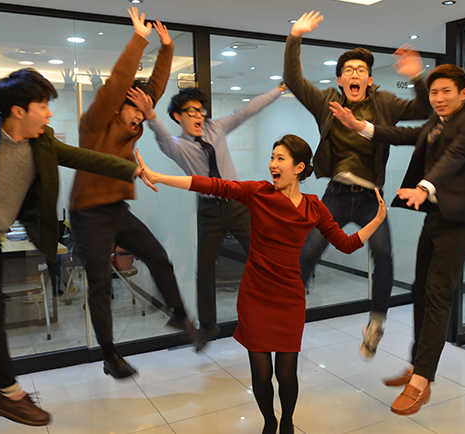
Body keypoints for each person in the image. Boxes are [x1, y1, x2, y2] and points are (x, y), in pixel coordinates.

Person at [0, 68, 153, 426]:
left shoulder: (41, 141)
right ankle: (7, 392)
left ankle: (0, 391)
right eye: (42, 106)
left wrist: (130, 170)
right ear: (18, 110)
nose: (48, 113)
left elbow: (81, 157)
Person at [134, 134, 386, 434]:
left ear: (299, 167)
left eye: (280, 159)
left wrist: (376, 220)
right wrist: (159, 177)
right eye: (271, 157)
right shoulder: (258, 193)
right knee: (262, 373)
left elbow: (345, 243)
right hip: (255, 296)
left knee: (287, 374)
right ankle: (269, 422)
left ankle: (287, 422)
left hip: (290, 299)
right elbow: (211, 185)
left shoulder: (314, 207)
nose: (272, 164)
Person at [331, 64, 465, 415]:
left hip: (462, 219)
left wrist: (424, 186)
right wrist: (359, 126)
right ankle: (417, 365)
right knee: (420, 290)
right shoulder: (437, 122)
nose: (438, 98)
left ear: (463, 93)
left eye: (446, 91)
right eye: (433, 92)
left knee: (437, 294)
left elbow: (455, 157)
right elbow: (403, 134)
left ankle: (422, 380)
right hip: (437, 215)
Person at [283, 11, 432, 359]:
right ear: (340, 79)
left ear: (369, 79)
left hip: (370, 199)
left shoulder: (385, 103)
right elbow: (293, 80)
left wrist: (417, 76)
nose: (355, 74)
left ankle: (375, 324)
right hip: (335, 195)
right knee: (307, 253)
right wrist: (295, 36)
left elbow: (424, 109)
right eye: (349, 70)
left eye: (361, 70)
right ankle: (288, 314)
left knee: (384, 257)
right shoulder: (326, 102)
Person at [68, 7, 197, 380]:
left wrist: (167, 47)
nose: (141, 117)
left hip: (116, 209)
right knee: (100, 283)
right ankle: (110, 355)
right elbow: (116, 85)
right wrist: (140, 39)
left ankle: (179, 314)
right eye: (135, 109)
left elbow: (153, 89)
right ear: (119, 104)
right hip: (88, 212)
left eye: (144, 112)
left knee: (158, 256)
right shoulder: (95, 122)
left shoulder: (133, 121)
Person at [131, 84, 286, 349]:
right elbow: (162, 136)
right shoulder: (178, 146)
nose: (198, 115)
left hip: (238, 204)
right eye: (191, 111)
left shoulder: (216, 128)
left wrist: (279, 89)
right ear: (178, 116)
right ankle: (208, 326)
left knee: (261, 257)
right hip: (210, 210)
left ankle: (277, 310)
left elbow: (247, 110)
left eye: (201, 110)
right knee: (204, 269)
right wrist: (150, 114)